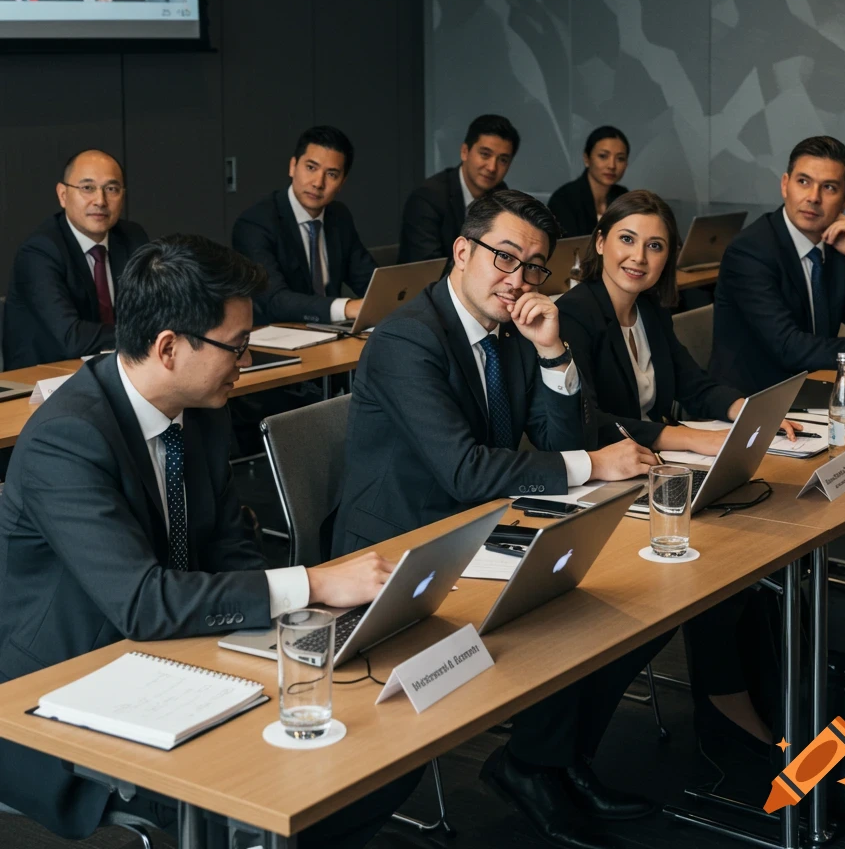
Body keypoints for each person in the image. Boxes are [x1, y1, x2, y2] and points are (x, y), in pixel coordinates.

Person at [0, 235, 420, 844]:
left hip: (177, 659)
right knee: (284, 794)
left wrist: (280, 636)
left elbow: (232, 548)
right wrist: (313, 583)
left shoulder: (200, 409)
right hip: (66, 697)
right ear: (169, 348)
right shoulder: (67, 439)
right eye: (237, 345)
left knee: (384, 755)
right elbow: (141, 603)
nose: (246, 361)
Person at [335, 189, 667, 849]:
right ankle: (536, 765)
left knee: (631, 610)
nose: (519, 279)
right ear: (463, 252)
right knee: (568, 616)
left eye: (535, 266)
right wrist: (591, 463)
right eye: (505, 258)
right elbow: (464, 470)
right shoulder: (408, 338)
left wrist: (553, 352)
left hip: (481, 529)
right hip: (403, 551)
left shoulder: (514, 330)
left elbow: (552, 439)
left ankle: (547, 762)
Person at [557, 190, 801, 764]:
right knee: (703, 579)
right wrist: (687, 437)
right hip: (595, 484)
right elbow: (586, 419)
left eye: (655, 246)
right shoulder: (574, 313)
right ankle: (728, 711)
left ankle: (751, 705)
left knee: (740, 569)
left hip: (648, 478)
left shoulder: (649, 313)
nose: (639, 257)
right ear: (600, 242)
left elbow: (693, 383)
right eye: (627, 239)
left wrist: (743, 409)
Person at [710, 135, 845, 394]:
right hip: (755, 398)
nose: (813, 197)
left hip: (816, 387)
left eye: (829, 187)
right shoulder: (750, 250)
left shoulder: (838, 245)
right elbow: (789, 347)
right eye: (803, 182)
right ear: (785, 185)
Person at [2, 149, 149, 368]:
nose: (100, 200)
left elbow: (158, 309)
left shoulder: (132, 237)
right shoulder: (39, 251)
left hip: (115, 369)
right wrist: (146, 334)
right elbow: (72, 338)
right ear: (63, 195)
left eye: (111, 189)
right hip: (45, 377)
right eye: (87, 188)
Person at [233, 125, 376, 325]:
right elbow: (275, 301)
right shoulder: (255, 223)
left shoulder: (339, 216)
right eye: (311, 168)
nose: (318, 183)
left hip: (331, 331)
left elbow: (369, 281)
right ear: (293, 166)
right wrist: (346, 308)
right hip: (276, 333)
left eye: (332, 174)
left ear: (342, 183)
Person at [398, 114, 520, 263]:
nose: (492, 167)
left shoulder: (501, 195)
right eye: (485, 154)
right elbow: (429, 266)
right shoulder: (427, 199)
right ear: (465, 152)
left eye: (503, 160)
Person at [548, 126, 630, 238]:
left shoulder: (624, 197)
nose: (612, 165)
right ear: (587, 159)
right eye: (603, 156)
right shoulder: (564, 199)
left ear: (626, 164)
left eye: (620, 158)